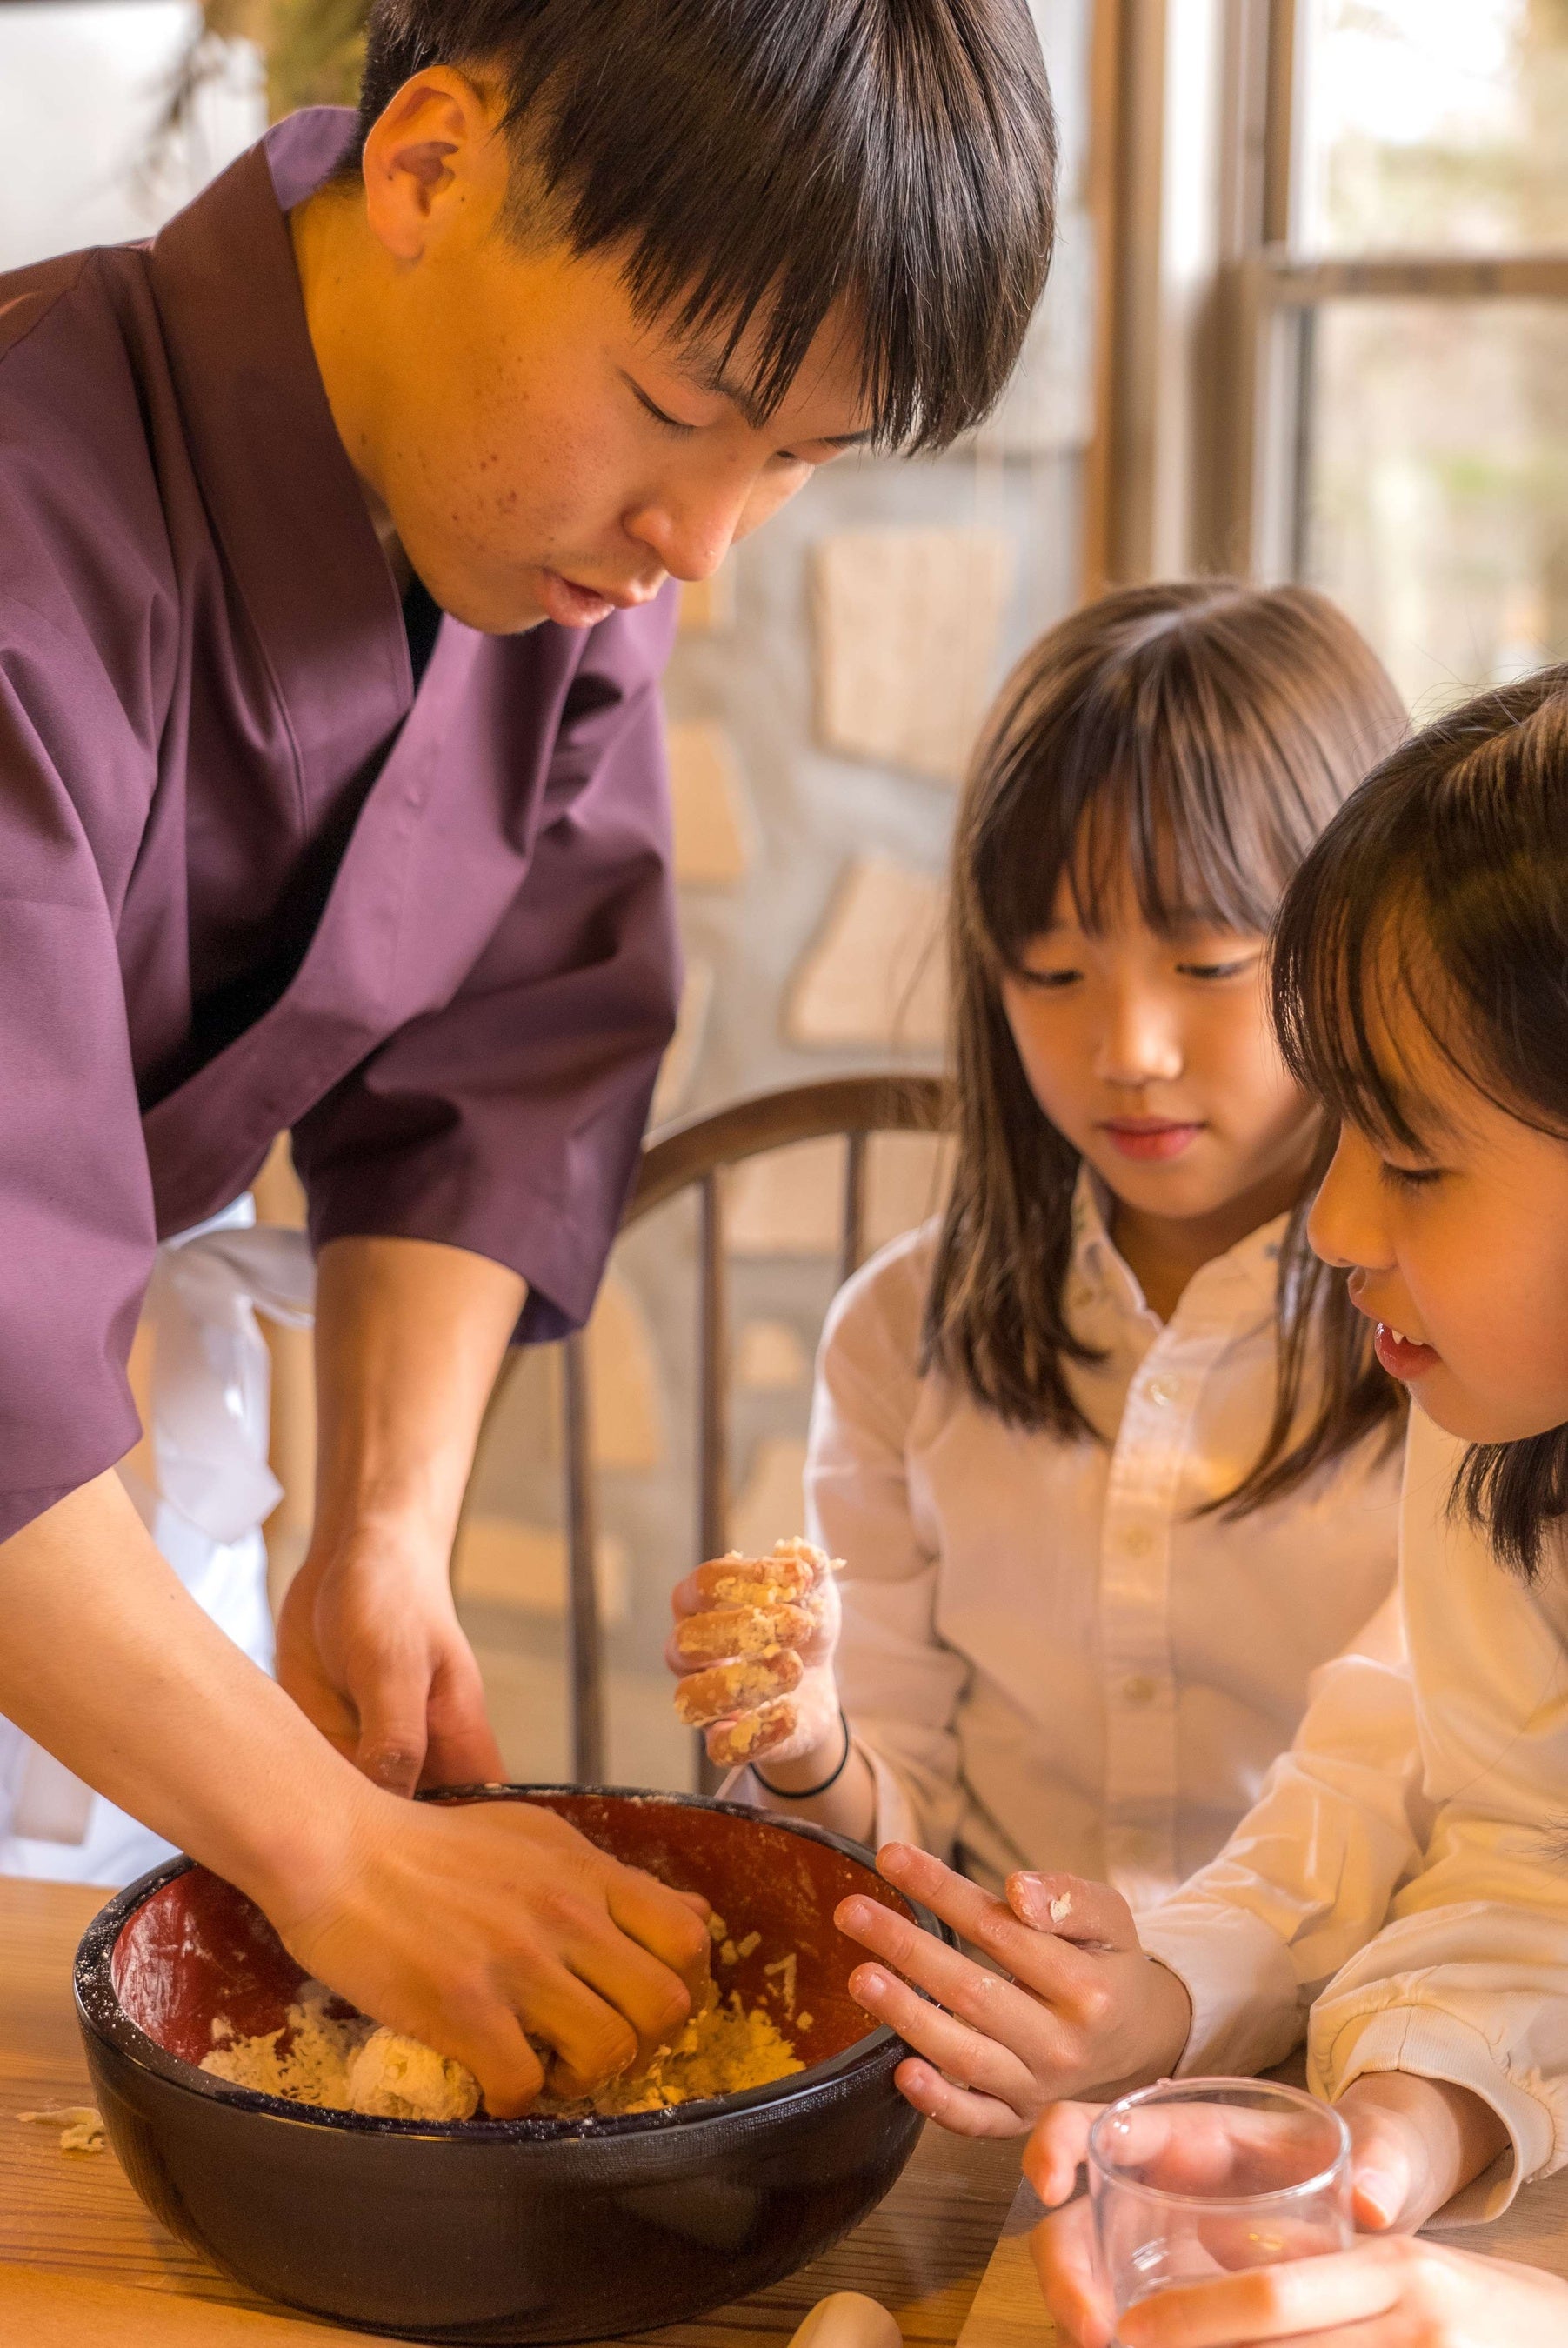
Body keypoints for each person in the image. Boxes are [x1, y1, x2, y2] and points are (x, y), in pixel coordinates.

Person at [0, 0, 1057, 2111]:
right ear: (426, 169)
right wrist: (333, 1845)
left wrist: (383, 1534)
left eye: (791, 464)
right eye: (682, 412)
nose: (704, 543)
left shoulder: (547, 547)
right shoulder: (31, 519)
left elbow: (504, 1055)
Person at [668, 579, 1411, 2134]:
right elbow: (901, 1825)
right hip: (974, 2084)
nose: (1127, 1047)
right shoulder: (901, 1335)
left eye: (1210, 965)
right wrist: (810, 1751)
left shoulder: (1458, 1346)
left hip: (1346, 2087)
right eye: (1053, 973)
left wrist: (1175, 2002)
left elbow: (1427, 1802)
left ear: (1354, 948)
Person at [1024, 663, 1568, 2342]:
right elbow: (1532, 1855)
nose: (1329, 1227)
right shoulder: (1499, 1448)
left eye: (1411, 1159)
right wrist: (1397, 2138)